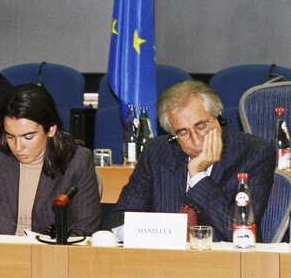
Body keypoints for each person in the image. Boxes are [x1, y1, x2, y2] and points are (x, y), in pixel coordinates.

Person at [105, 80, 275, 242]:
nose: (196, 140)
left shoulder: (254, 153)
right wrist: (151, 235)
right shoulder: (156, 152)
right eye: (184, 133)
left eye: (201, 126)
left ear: (217, 112)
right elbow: (118, 218)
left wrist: (198, 176)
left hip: (225, 264)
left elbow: (240, 231)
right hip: (163, 260)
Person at [0, 84, 100, 236]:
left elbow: (84, 231)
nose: (18, 146)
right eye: (10, 136)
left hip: (50, 256)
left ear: (51, 130)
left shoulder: (77, 162)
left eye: (28, 137)